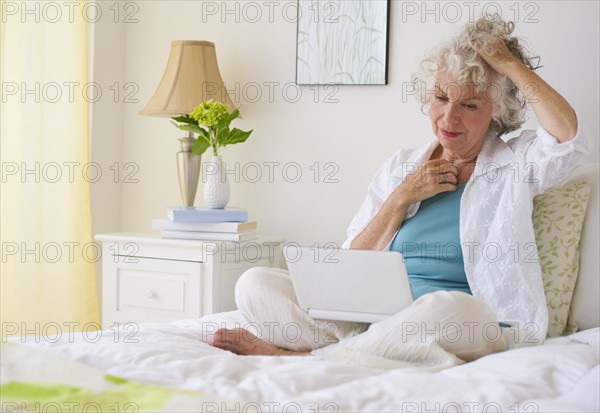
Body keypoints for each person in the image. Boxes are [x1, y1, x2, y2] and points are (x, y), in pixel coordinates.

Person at [210, 16, 591, 365]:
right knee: (255, 283)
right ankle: (362, 351)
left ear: (497, 111)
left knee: (455, 310)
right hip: (373, 320)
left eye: (469, 104)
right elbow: (348, 265)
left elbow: (570, 140)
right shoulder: (401, 167)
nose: (449, 117)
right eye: (441, 98)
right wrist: (401, 197)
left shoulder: (515, 163)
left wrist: (509, 64)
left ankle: (305, 358)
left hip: (453, 319)